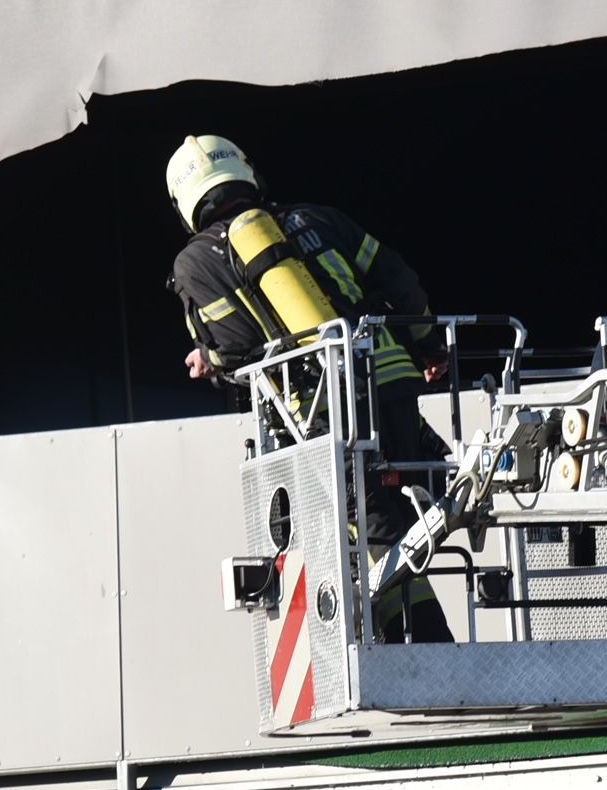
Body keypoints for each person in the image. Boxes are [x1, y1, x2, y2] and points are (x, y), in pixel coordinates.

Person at [164, 134, 455, 645]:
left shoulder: (197, 262)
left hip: (323, 409)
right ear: (244, 173)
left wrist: (205, 358)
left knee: (373, 532)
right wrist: (430, 345)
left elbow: (233, 347)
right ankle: (413, 646)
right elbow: (398, 279)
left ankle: (435, 656)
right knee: (397, 518)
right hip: (392, 383)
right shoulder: (319, 218)